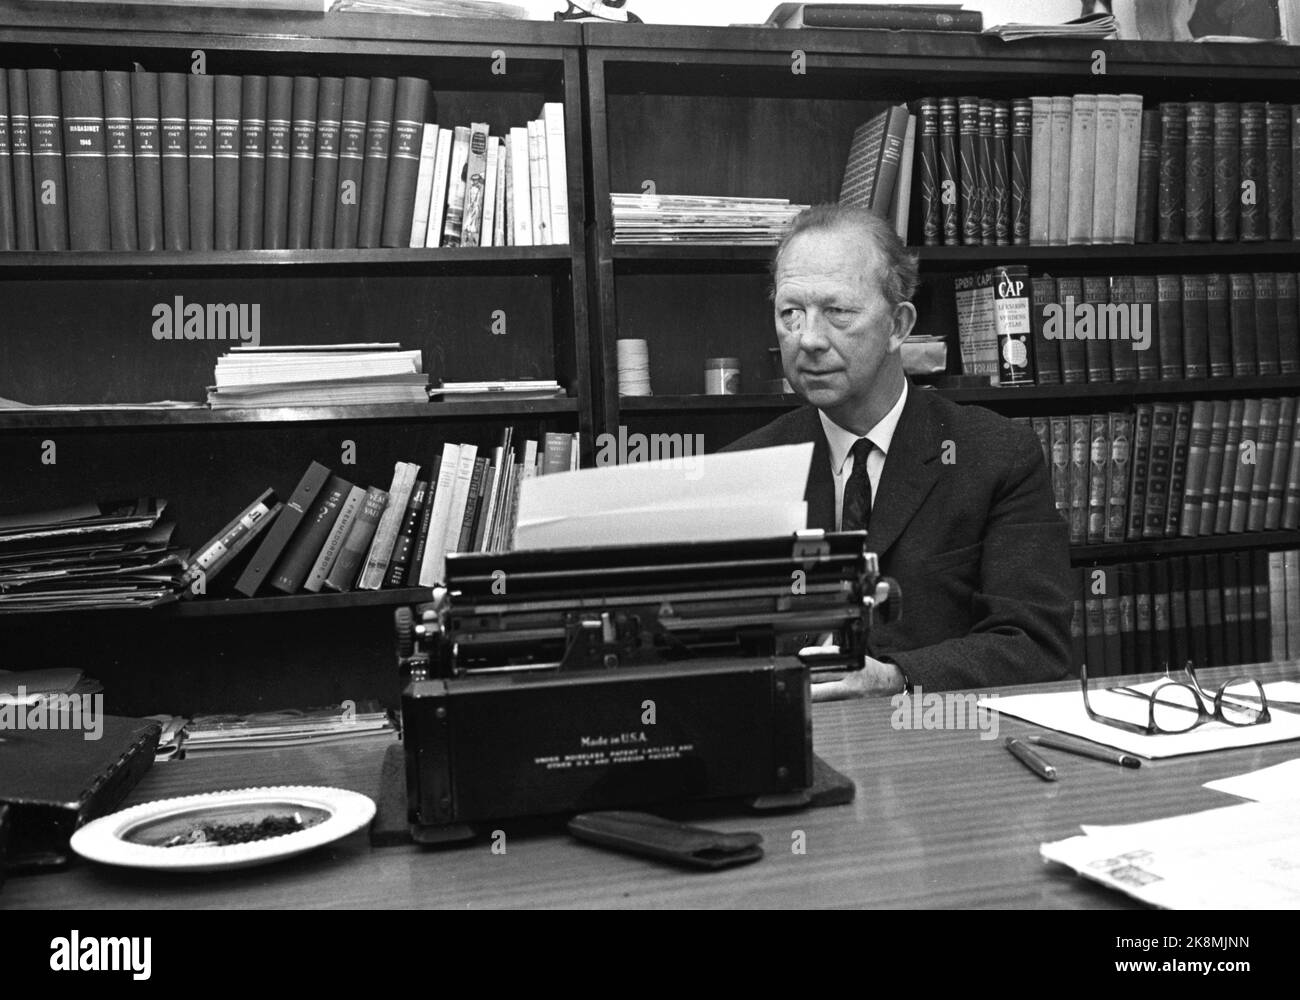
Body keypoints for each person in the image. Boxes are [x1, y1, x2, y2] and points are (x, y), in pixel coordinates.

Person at [723, 204, 1073, 695]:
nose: (809, 339)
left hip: (939, 744)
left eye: (837, 312)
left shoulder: (995, 455)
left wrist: (895, 678)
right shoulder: (747, 470)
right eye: (790, 313)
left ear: (898, 325)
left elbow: (1034, 645)